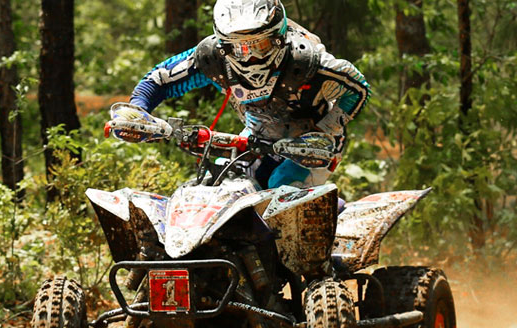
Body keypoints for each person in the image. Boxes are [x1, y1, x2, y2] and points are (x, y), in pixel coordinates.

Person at [118, 0, 370, 189]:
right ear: (222, 44)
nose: (249, 56)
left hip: (312, 145)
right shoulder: (212, 58)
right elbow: (160, 78)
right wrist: (138, 110)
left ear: (278, 36)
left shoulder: (306, 61)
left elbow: (357, 88)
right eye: (238, 47)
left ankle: (319, 254)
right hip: (255, 136)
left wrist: (329, 127)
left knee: (282, 187)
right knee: (212, 187)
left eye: (259, 45)